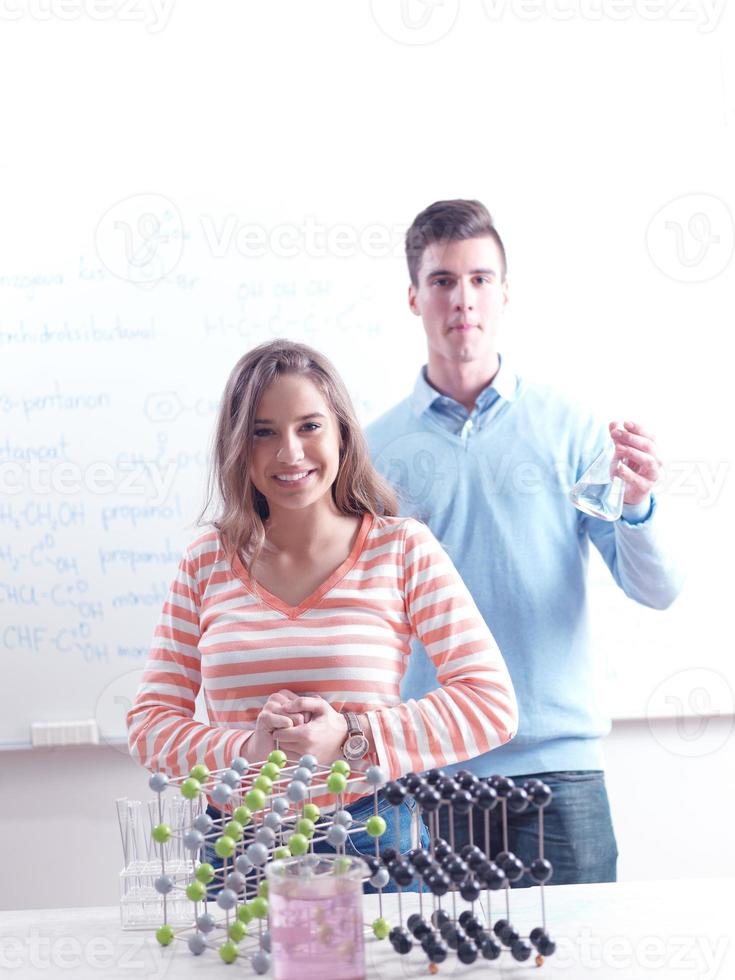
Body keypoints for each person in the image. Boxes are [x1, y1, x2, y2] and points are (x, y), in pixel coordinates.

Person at [365, 199, 684, 885]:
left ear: (505, 293)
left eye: (480, 279)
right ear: (413, 296)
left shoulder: (568, 426)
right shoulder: (373, 453)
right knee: (440, 963)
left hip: (559, 768)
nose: (463, 299)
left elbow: (656, 589)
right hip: (432, 769)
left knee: (578, 959)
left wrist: (637, 504)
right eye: (443, 280)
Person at [127, 339, 518, 878]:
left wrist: (352, 738)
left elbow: (490, 705)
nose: (289, 453)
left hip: (372, 836)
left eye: (309, 426)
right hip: (236, 844)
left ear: (342, 433)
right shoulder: (205, 562)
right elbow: (150, 726)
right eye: (264, 432)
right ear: (238, 446)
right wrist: (248, 748)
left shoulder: (402, 548)